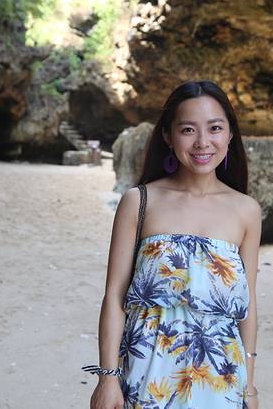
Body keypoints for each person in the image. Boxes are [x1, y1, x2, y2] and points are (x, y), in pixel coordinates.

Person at [85, 80, 262, 408]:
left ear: (230, 134)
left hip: (220, 379)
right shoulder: (139, 201)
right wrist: (107, 378)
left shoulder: (246, 211)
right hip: (147, 374)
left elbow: (247, 308)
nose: (203, 142)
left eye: (215, 128)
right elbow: (114, 297)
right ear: (167, 136)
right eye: (188, 130)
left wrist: (249, 387)